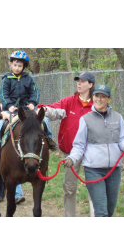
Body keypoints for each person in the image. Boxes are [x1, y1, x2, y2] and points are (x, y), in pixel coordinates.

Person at [0, 50, 57, 204]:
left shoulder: (28, 79)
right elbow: (3, 94)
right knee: (0, 123)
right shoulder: (6, 79)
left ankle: (50, 139)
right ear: (11, 64)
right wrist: (9, 105)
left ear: (24, 67)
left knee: (45, 121)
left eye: (20, 65)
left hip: (27, 109)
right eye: (15, 64)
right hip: (11, 109)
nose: (17, 67)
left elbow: (35, 92)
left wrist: (33, 103)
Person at [64, 84, 124, 217]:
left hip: (114, 170)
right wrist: (72, 158)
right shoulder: (86, 119)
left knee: (109, 211)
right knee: (101, 211)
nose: (99, 99)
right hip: (94, 170)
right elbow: (79, 145)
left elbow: (122, 139)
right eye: (96, 96)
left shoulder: (118, 117)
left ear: (109, 99)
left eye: (103, 97)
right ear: (93, 97)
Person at [38, 71, 96, 217]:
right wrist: (43, 110)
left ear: (90, 85)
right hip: (71, 153)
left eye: (83, 81)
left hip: (93, 153)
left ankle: (97, 216)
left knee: (95, 188)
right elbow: (54, 110)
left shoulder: (97, 104)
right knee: (69, 188)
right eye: (78, 80)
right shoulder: (69, 102)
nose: (79, 83)